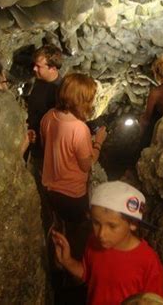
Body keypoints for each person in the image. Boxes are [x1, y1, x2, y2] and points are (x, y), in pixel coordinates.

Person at [52, 181, 163, 305]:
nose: (101, 234)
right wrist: (67, 260)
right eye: (96, 223)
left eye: (112, 226)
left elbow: (154, 302)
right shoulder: (93, 242)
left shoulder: (148, 261)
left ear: (133, 224)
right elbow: (90, 275)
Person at [40, 73, 107, 228]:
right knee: (77, 232)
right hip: (72, 195)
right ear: (81, 100)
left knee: (58, 226)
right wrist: (98, 142)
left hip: (50, 190)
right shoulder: (79, 129)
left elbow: (48, 147)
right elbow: (87, 165)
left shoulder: (48, 116)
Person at [0, 60, 35, 156]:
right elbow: (12, 159)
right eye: (5, 81)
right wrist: (25, 140)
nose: (6, 85)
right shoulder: (4, 110)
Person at [26, 44, 64, 163]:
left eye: (38, 66)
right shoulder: (40, 79)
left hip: (43, 150)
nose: (34, 69)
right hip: (30, 136)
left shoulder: (61, 92)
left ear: (52, 68)